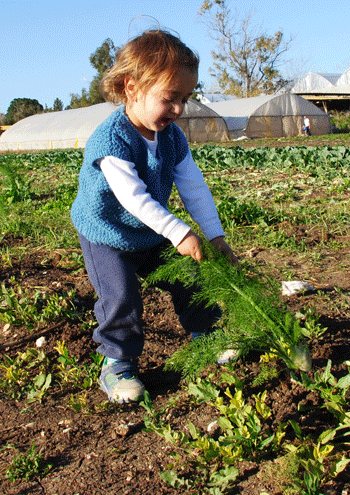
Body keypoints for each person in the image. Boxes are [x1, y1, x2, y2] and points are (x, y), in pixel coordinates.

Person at [70, 29, 238, 404]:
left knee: (189, 277)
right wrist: (179, 233)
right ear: (132, 88)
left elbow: (193, 187)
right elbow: (134, 198)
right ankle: (117, 362)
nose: (179, 109)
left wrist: (214, 236)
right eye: (170, 98)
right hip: (107, 233)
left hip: (148, 230)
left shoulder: (173, 138)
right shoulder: (112, 139)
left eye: (186, 98)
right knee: (121, 297)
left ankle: (206, 336)